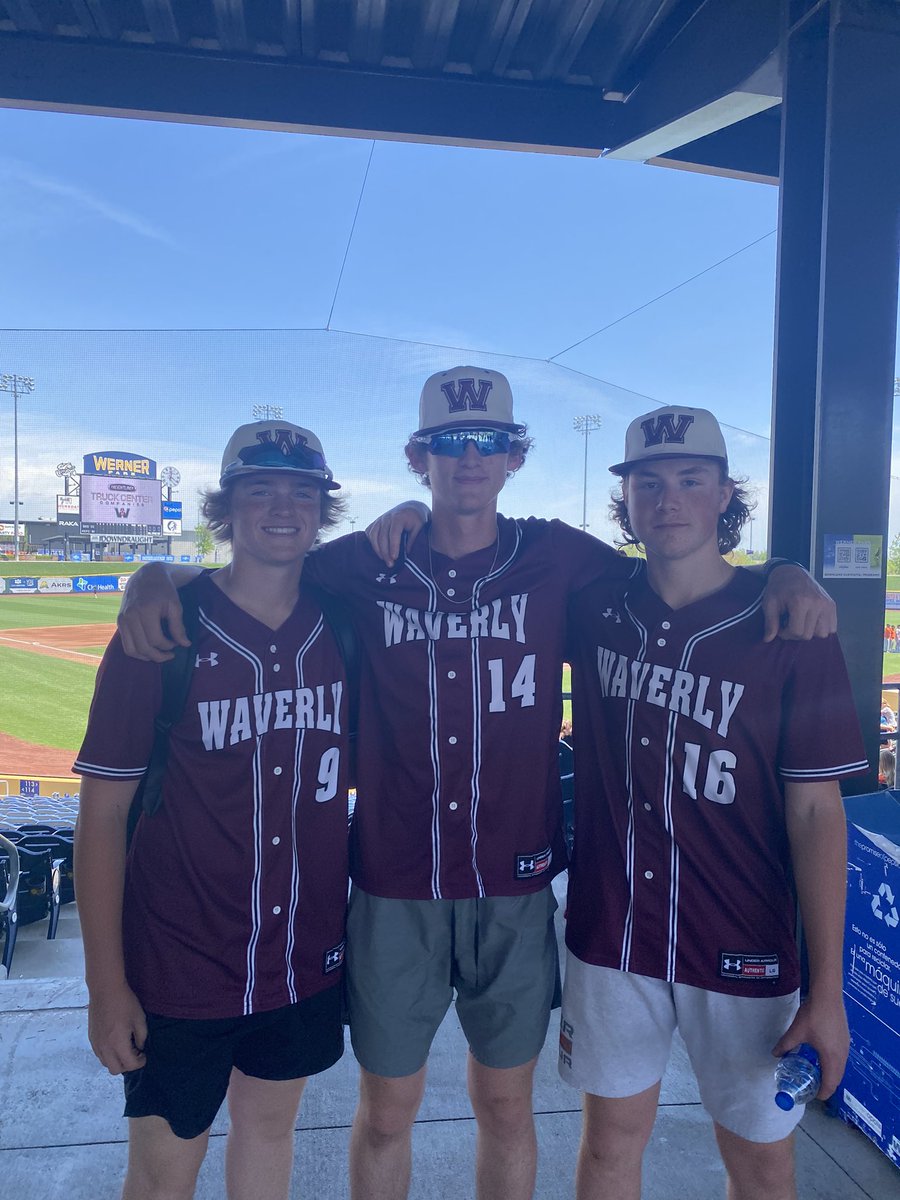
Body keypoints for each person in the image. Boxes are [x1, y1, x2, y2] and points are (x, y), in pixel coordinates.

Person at [116, 370, 836, 1200]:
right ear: (420, 454)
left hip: (517, 891)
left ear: (515, 457)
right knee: (387, 1112)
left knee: (505, 1105)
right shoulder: (365, 562)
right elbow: (260, 565)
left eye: (488, 441)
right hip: (392, 892)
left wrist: (786, 568)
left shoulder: (560, 557)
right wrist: (154, 575)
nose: (470, 458)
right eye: (451, 442)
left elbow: (679, 567)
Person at [558, 405, 867, 1200]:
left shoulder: (791, 625)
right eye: (648, 482)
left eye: (692, 480)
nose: (669, 499)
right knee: (606, 1147)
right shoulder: (592, 602)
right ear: (623, 498)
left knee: (761, 1162)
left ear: (727, 492)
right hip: (612, 931)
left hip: (745, 940)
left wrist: (828, 992)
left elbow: (817, 814)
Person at [74, 420, 351, 1200]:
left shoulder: (343, 625)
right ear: (225, 508)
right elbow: (99, 819)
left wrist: (156, 567)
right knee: (164, 1175)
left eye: (302, 492)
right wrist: (106, 985)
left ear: (324, 510)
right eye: (258, 489)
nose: (282, 507)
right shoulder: (160, 636)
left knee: (270, 1137)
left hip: (301, 958)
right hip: (177, 965)